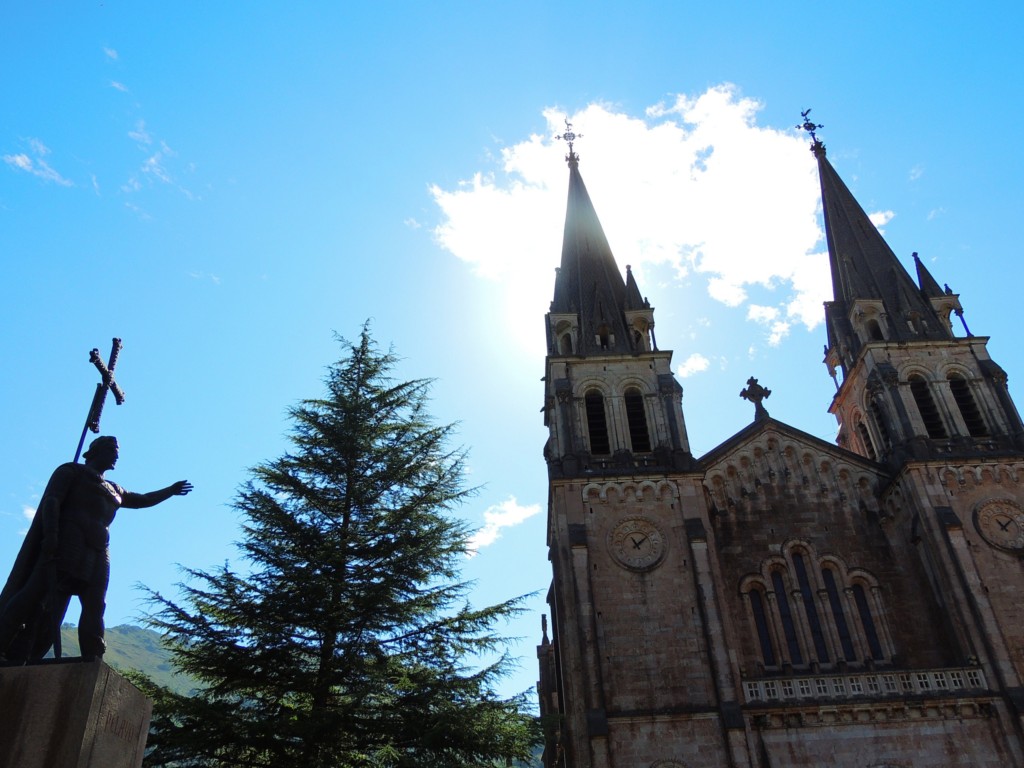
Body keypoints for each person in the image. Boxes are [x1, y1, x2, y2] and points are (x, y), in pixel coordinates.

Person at [0, 436, 192, 662]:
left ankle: (92, 655)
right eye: (111, 449)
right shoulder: (71, 471)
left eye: (117, 451)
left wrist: (170, 490)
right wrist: (51, 535)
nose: (116, 455)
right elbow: (52, 501)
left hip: (99, 550)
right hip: (67, 541)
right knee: (35, 593)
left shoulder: (115, 489)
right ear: (93, 452)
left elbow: (142, 500)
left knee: (95, 602)